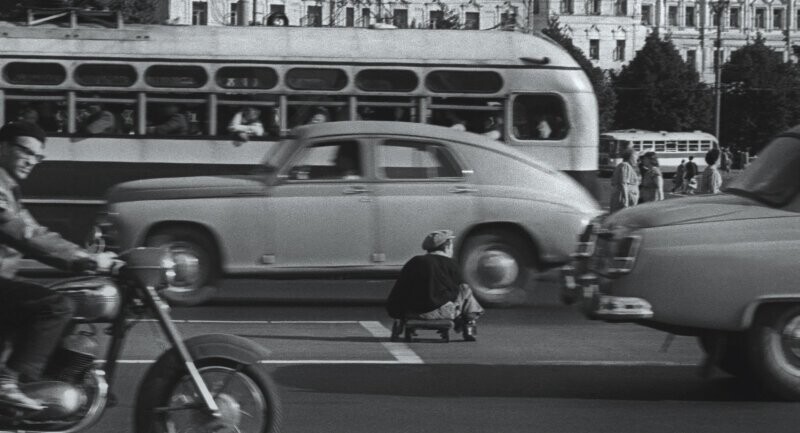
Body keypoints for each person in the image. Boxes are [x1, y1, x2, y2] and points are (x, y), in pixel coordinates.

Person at [0, 121, 116, 411]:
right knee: (56, 306)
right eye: (25, 151)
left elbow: (36, 231)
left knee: (70, 319)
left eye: (37, 157)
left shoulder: (10, 190)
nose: (31, 161)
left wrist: (85, 254)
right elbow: (24, 234)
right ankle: (7, 383)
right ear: (3, 147)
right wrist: (85, 259)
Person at [386, 230, 484, 342]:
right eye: (451, 245)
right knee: (465, 289)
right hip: (444, 312)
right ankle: (469, 324)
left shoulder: (414, 262)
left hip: (413, 312)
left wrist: (397, 313)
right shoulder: (452, 264)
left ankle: (399, 326)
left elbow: (399, 290)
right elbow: (456, 290)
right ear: (447, 247)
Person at [609, 147, 640, 212]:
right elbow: (624, 183)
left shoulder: (626, 166)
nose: (637, 159)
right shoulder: (625, 166)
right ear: (631, 157)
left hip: (625, 198)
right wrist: (626, 200)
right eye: (636, 156)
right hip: (623, 198)